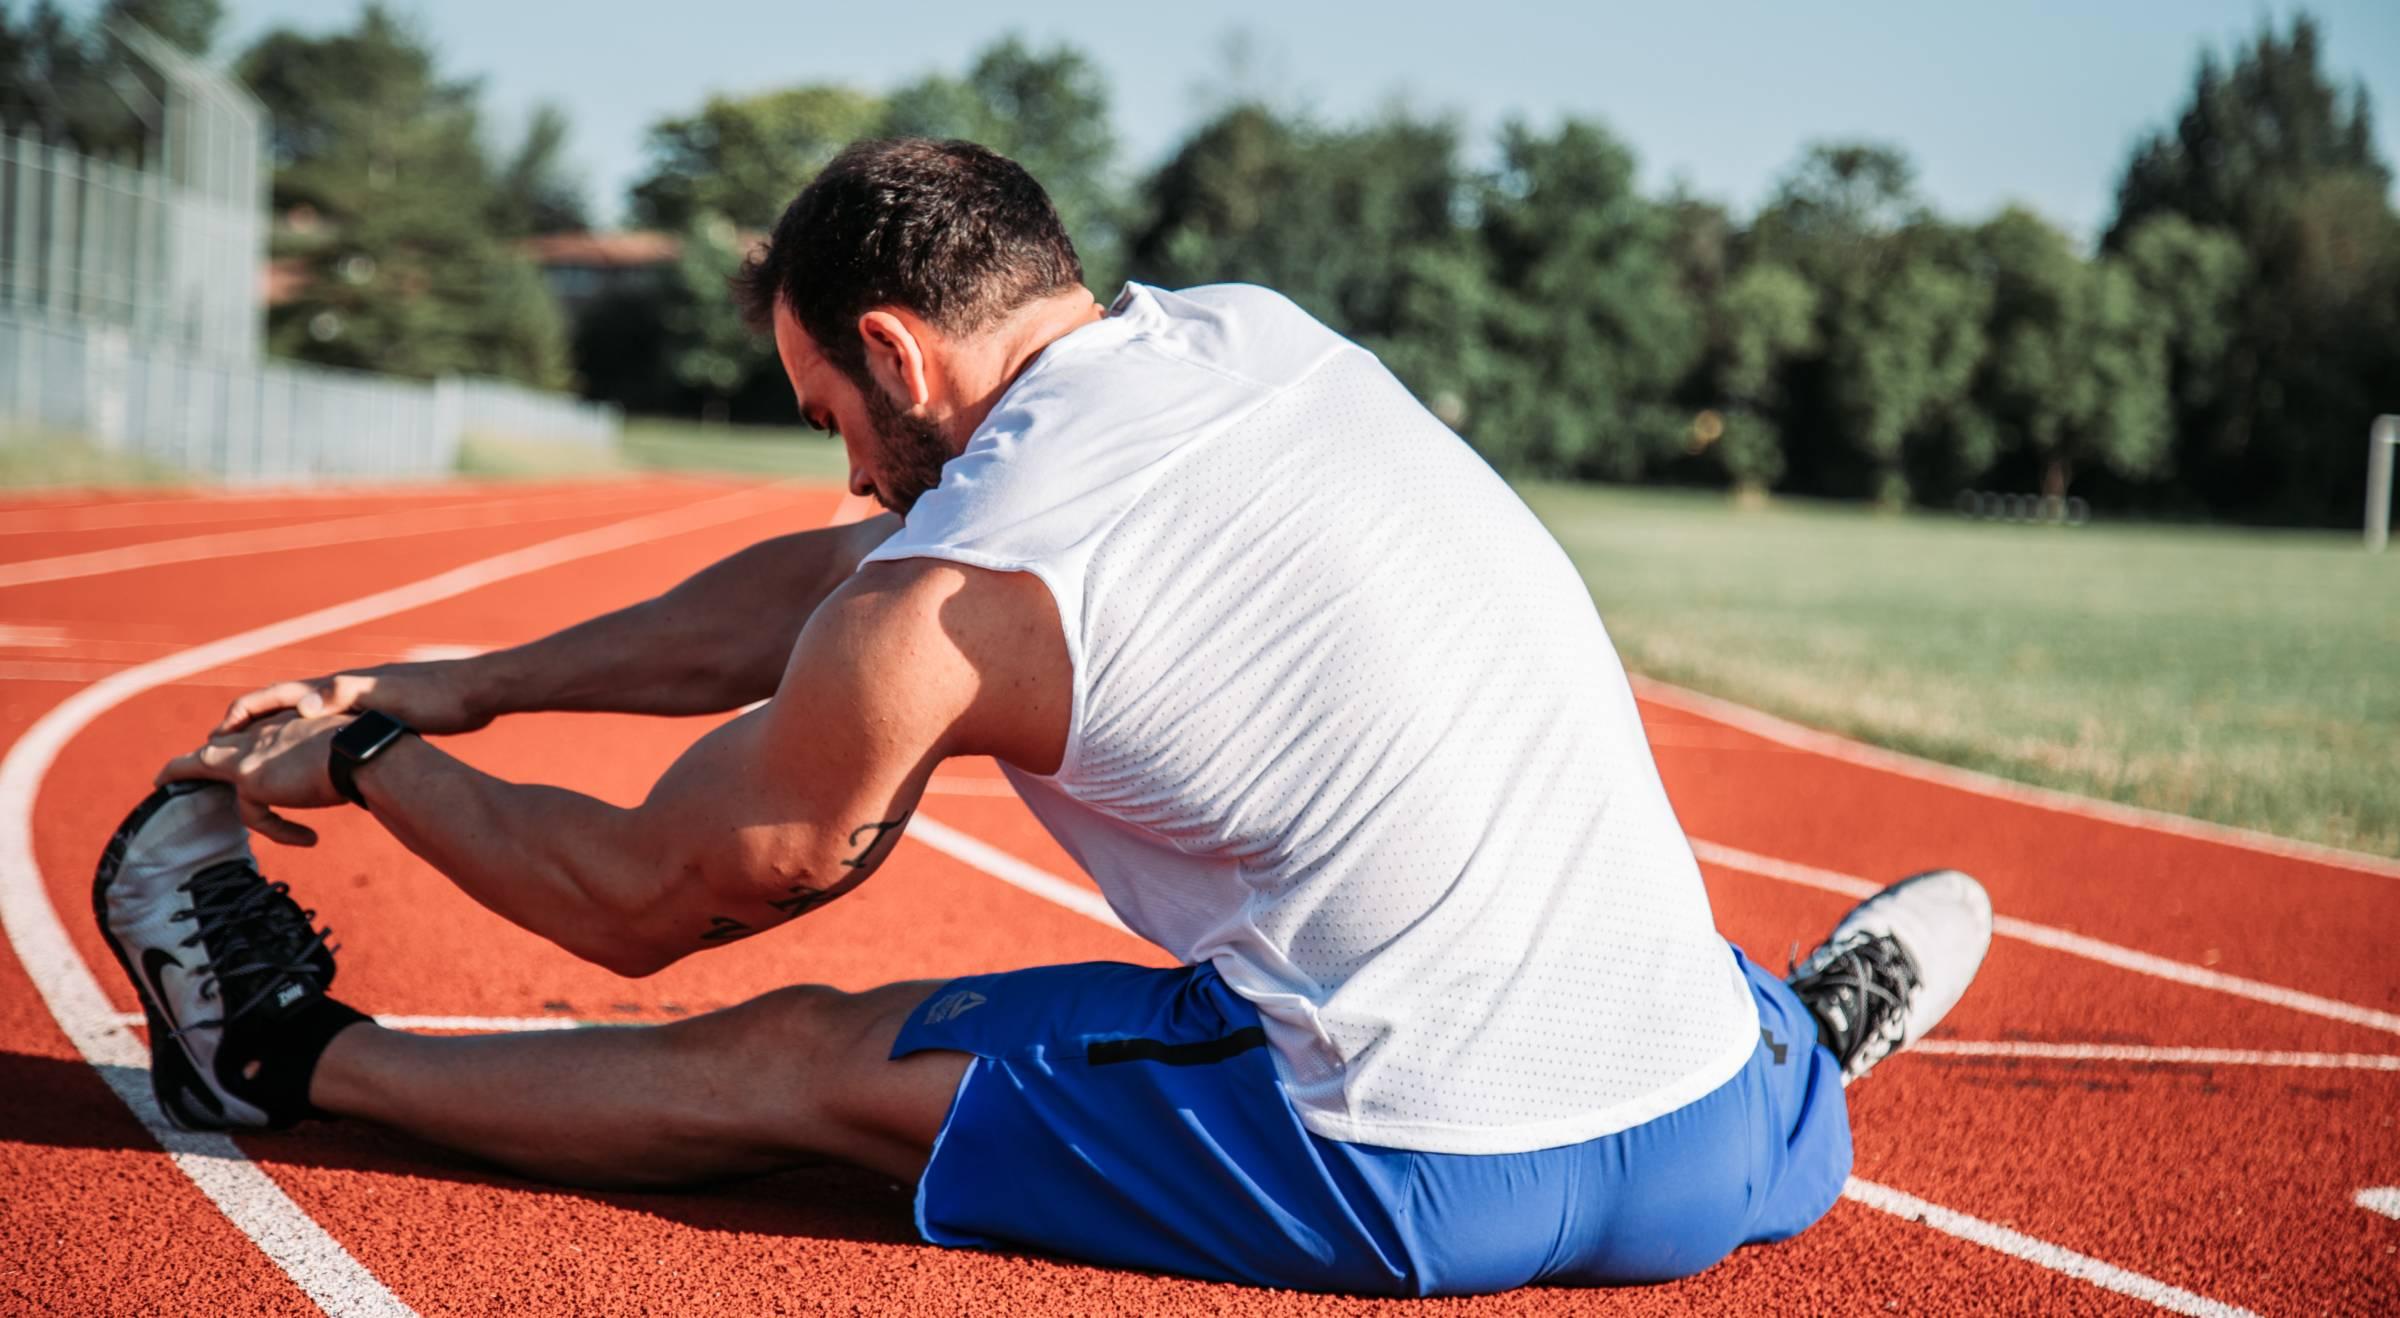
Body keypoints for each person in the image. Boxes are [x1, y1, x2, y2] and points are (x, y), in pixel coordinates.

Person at [98, 138, 1992, 1296]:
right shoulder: (1252, 337)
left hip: (1408, 1161)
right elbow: (844, 586)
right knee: (1581, 895)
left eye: (828, 413)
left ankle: (278, 1059)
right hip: (1709, 1146)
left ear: (900, 357)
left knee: (790, 1061)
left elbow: (642, 893)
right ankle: (1802, 1040)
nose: (841, 470)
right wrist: (472, 682)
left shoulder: (945, 595)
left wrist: (367, 755)